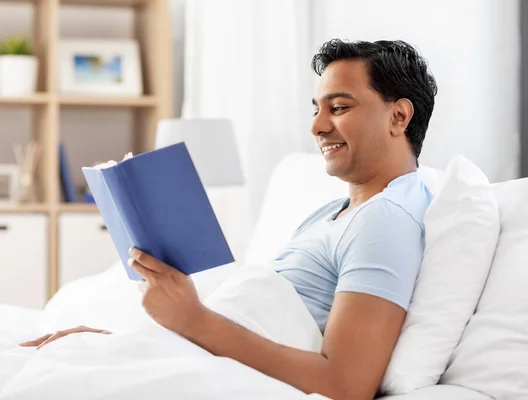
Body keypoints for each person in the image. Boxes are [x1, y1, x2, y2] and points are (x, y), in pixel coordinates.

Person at [20, 39, 437, 400]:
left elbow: (345, 385)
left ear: (398, 117)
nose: (317, 125)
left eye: (339, 107)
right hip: (197, 350)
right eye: (315, 109)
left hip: (214, 357)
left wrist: (191, 319)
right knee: (54, 356)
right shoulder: (335, 213)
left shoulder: (386, 219)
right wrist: (126, 346)